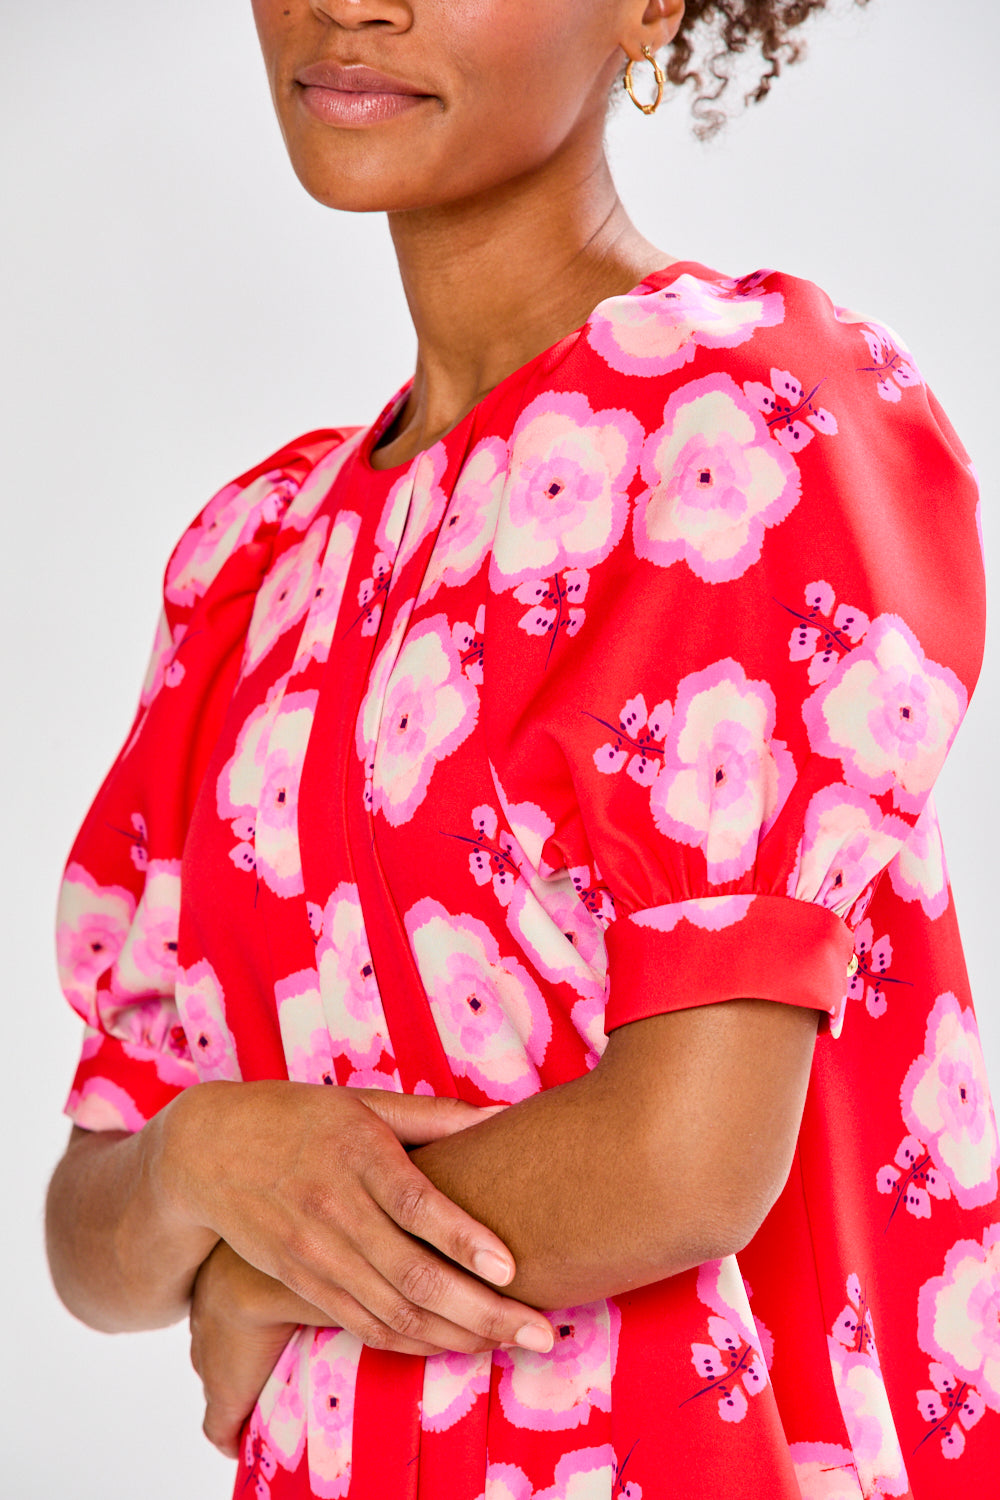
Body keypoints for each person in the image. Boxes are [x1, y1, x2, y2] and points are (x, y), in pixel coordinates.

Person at [44, 1, 1000, 1496]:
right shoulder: (254, 569)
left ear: (648, 6)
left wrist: (259, 1271)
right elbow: (93, 1220)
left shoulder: (733, 433)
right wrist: (200, 1164)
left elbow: (683, 1164)